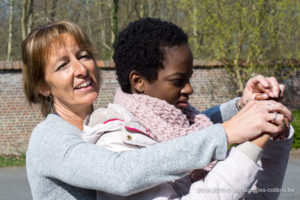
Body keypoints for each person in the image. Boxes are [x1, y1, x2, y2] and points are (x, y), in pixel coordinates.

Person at [23, 20, 292, 200]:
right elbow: (122, 173)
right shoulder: (50, 139)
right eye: (62, 65)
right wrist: (226, 133)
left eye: (83, 56)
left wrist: (239, 108)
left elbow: (171, 129)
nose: (81, 69)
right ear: (42, 86)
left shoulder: (103, 118)